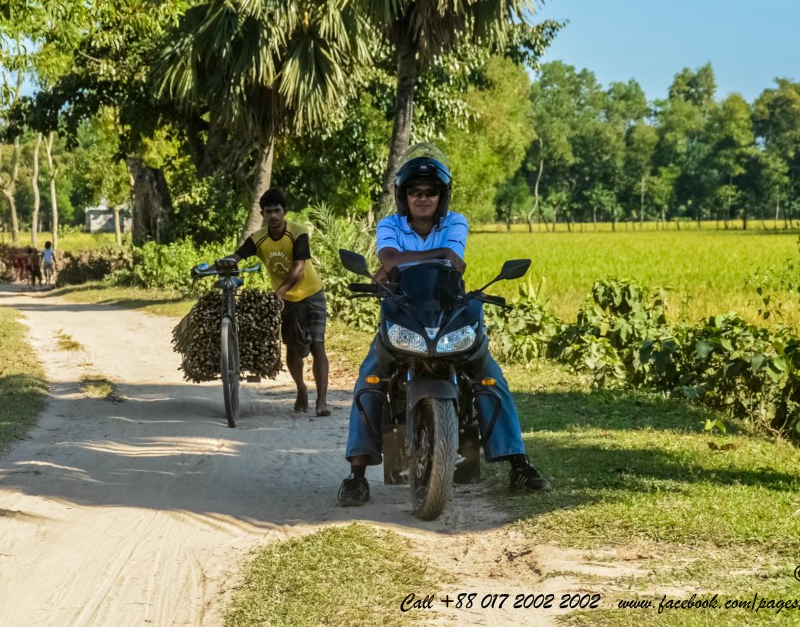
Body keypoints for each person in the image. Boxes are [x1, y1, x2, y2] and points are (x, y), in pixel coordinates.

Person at [337, 152, 552, 507]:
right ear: (404, 196)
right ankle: (357, 475)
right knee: (370, 378)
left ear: (442, 196)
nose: (423, 197)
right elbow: (392, 258)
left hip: (448, 313)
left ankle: (519, 463)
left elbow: (450, 261)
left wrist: (402, 264)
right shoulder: (390, 225)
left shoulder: (456, 221)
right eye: (415, 191)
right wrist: (415, 261)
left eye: (431, 191)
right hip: (404, 313)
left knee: (490, 377)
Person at [220, 188, 331, 416]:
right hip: (286, 300)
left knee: (317, 344)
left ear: (284, 212)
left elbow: (299, 269)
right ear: (262, 213)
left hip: (311, 293)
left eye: (277, 211)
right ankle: (301, 389)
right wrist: (223, 263)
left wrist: (279, 292)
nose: (273, 216)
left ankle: (322, 401)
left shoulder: (298, 233)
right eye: (268, 212)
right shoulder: (258, 239)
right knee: (291, 347)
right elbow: (238, 256)